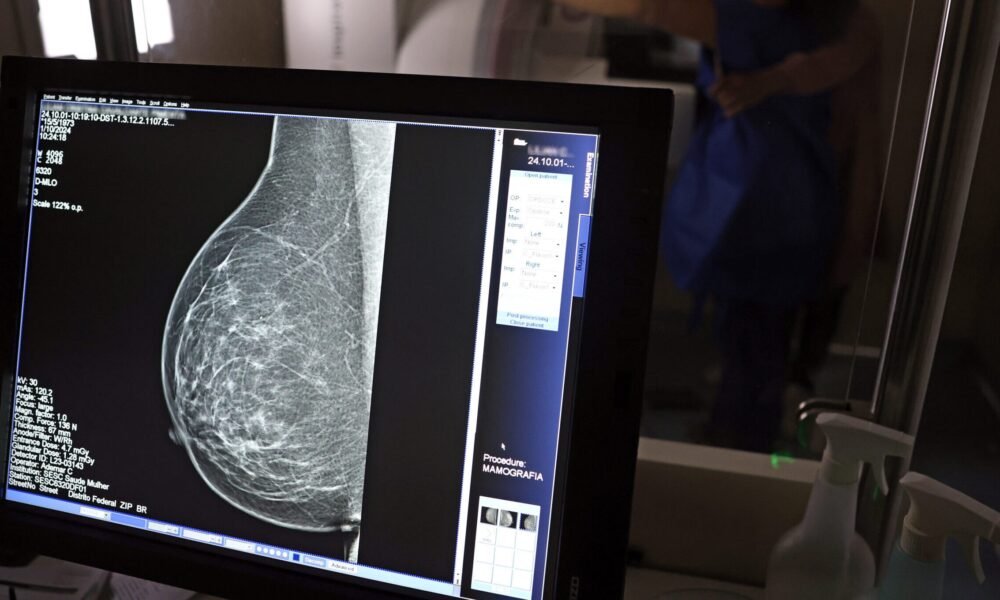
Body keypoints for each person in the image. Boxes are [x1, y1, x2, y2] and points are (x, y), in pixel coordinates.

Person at [555, 0, 858, 451]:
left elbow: (646, 8)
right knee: (762, 336)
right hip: (801, 200)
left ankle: (737, 437)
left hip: (750, 202)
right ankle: (745, 423)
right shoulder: (841, 20)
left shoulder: (739, 18)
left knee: (749, 336)